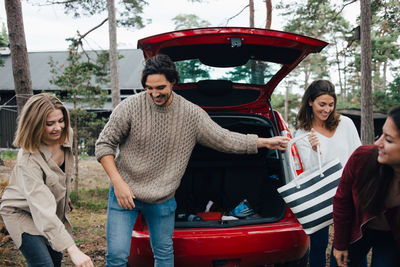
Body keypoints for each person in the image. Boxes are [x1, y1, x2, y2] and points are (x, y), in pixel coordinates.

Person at [95, 54, 290, 267]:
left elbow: (224, 138)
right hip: (125, 194)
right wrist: (118, 182)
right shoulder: (130, 107)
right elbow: (104, 144)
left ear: (173, 82)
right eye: (149, 88)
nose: (154, 94)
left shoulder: (190, 114)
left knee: (163, 254)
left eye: (160, 87)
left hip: (162, 197)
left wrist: (264, 142)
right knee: (116, 256)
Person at [0, 93, 93, 267]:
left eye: (60, 120)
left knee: (56, 260)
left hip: (48, 208)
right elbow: (41, 207)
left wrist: (64, 196)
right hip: (21, 212)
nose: (57, 127)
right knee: (44, 264)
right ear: (34, 125)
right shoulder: (28, 158)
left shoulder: (66, 135)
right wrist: (73, 249)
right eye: (49, 124)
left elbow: (60, 174)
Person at [294, 80, 361, 267]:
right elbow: (309, 171)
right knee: (318, 245)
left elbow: (358, 154)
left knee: (342, 245)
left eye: (331, 104)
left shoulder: (345, 123)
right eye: (321, 104)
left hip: (346, 195)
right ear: (310, 102)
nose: (327, 109)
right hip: (319, 197)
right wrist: (314, 149)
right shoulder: (301, 134)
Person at [333, 105, 400, 267]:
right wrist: (340, 245)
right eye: (381, 134)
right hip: (356, 231)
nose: (378, 143)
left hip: (391, 239)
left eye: (388, 139)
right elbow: (342, 201)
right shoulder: (361, 158)